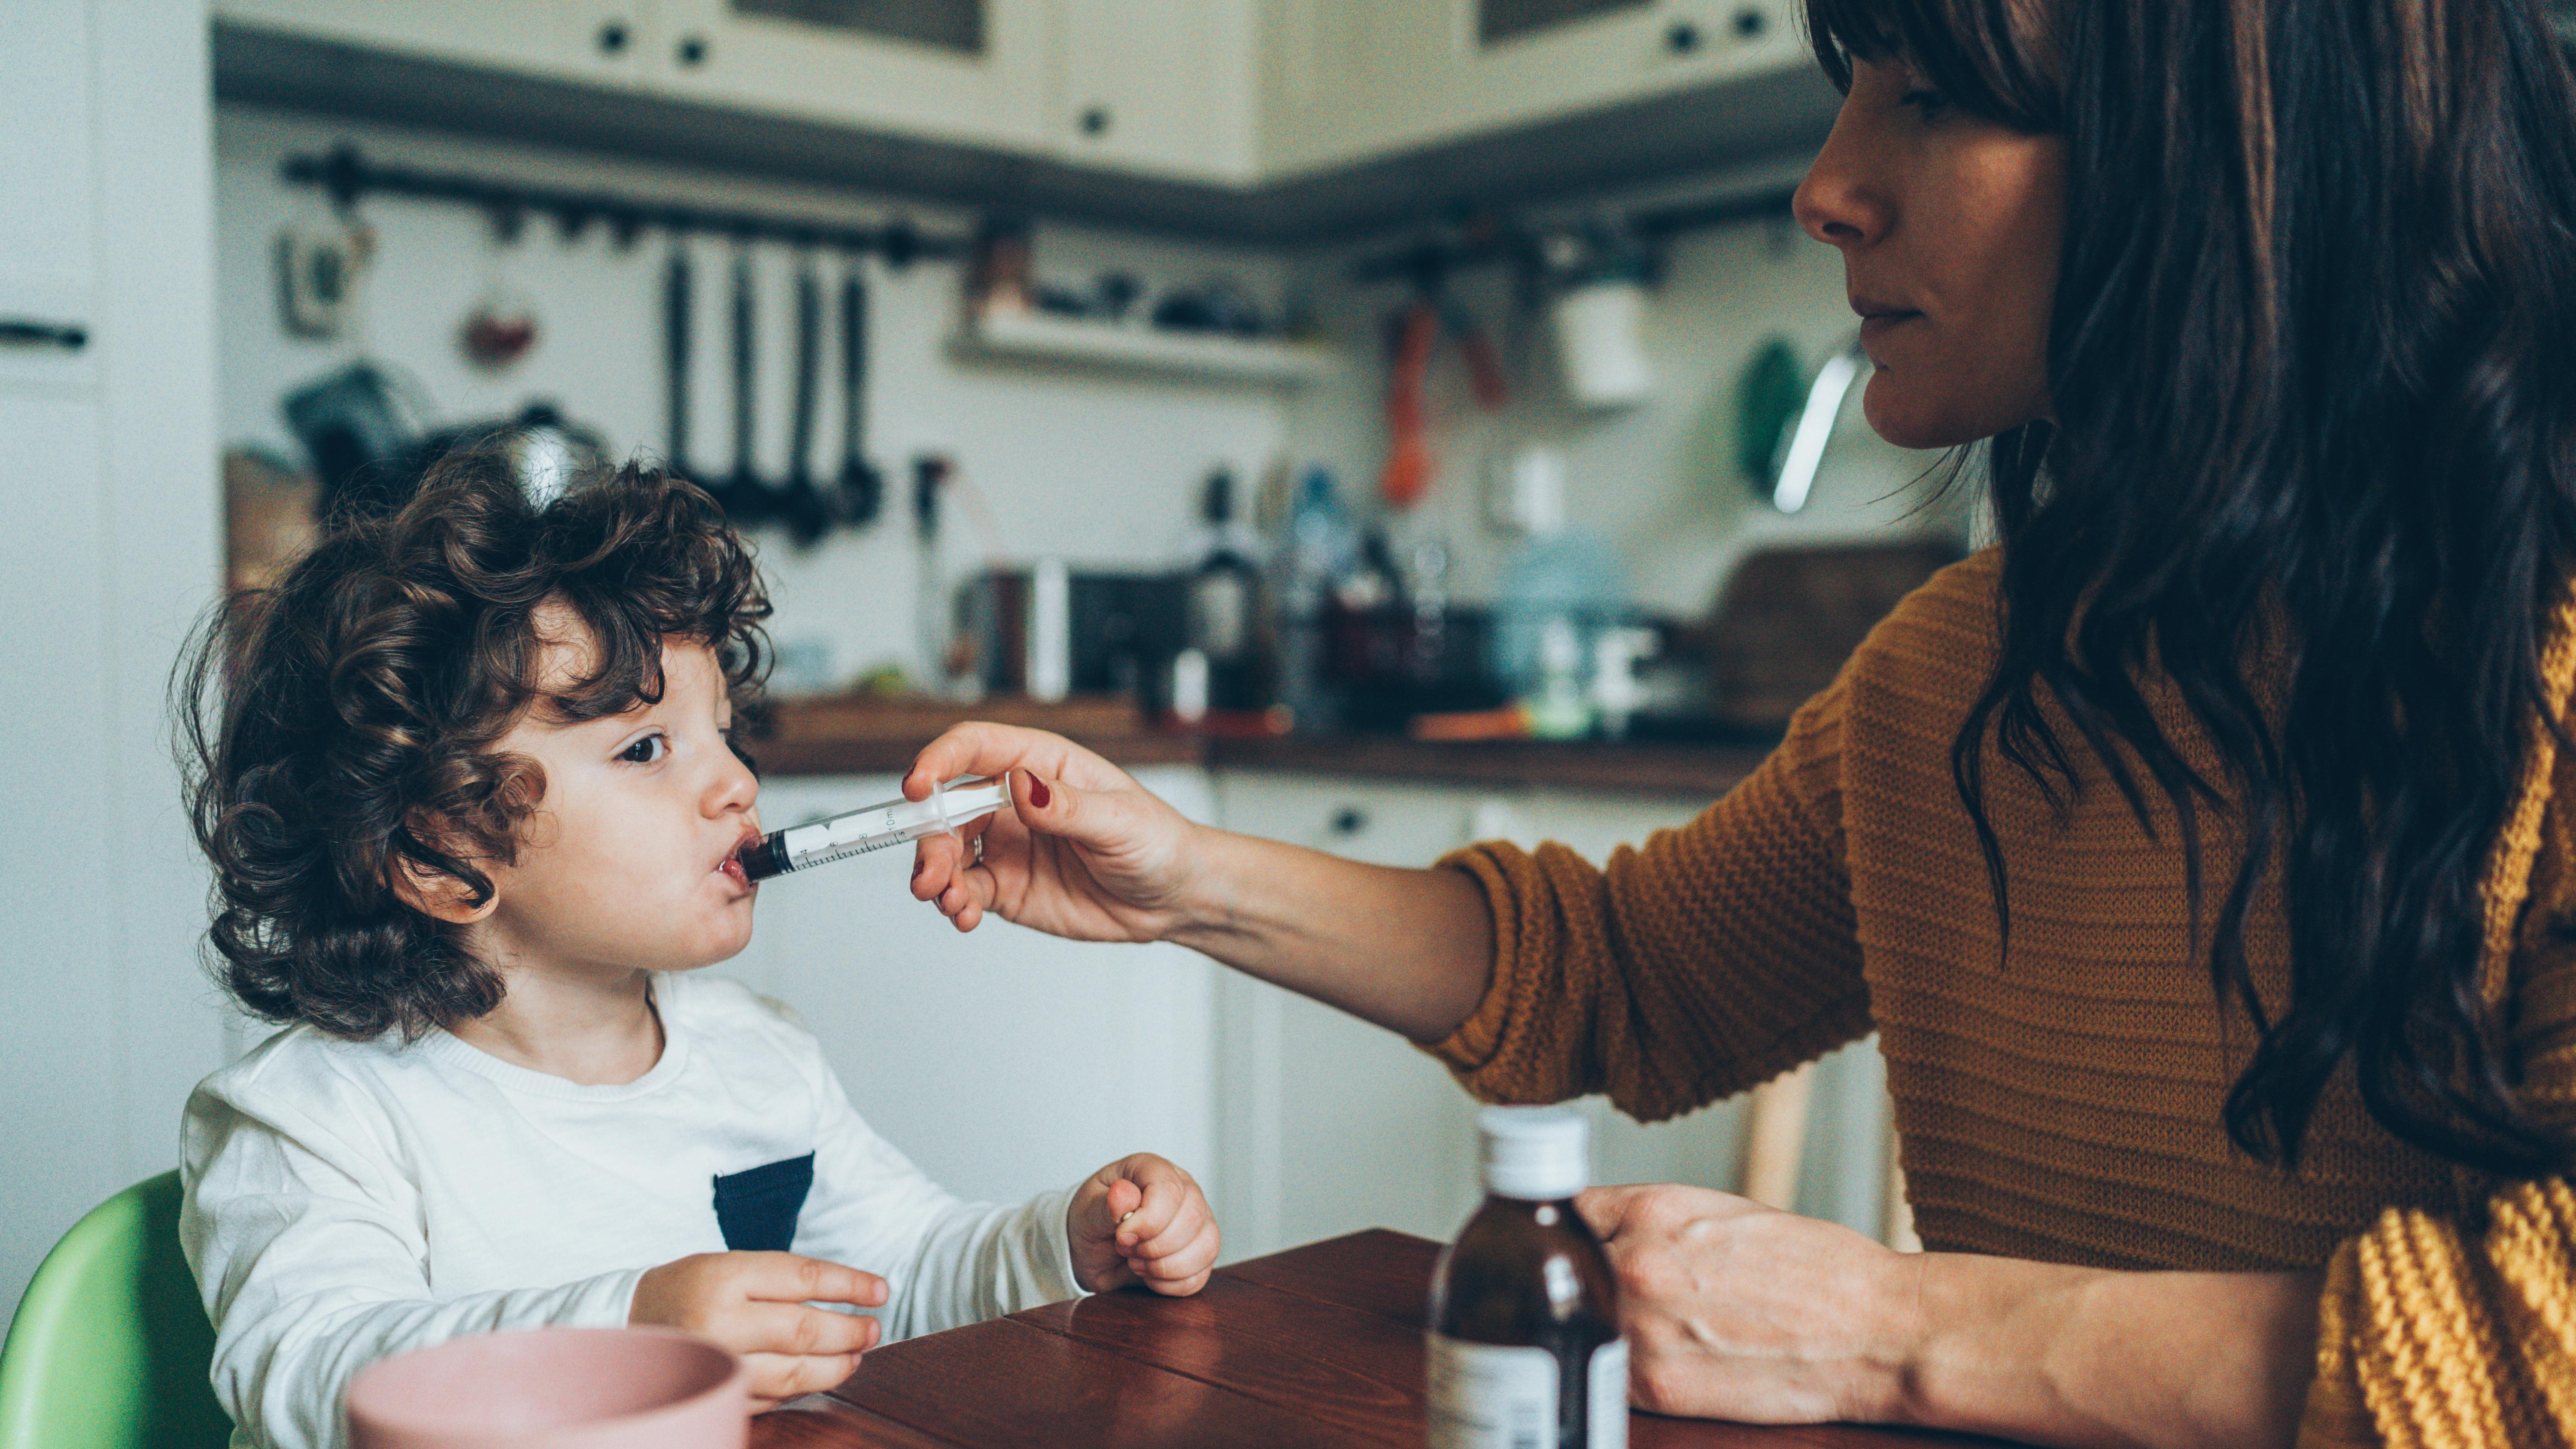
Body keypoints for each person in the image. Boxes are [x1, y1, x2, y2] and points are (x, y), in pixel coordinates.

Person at [898, 0, 2576, 1445]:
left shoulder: (2545, 661)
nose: (1827, 186)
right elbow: (1629, 975)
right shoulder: (1954, 679)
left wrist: (1885, 1325)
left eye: (1934, 93)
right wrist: (1179, 878)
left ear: (2241, 143)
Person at [174, 458, 1220, 1449]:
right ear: (436, 849)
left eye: (725, 730)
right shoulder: (314, 1117)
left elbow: (897, 1268)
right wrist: (631, 1332)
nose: (735, 784)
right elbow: (313, 1376)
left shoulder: (757, 1054)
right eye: (644, 748)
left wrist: (1063, 1245)